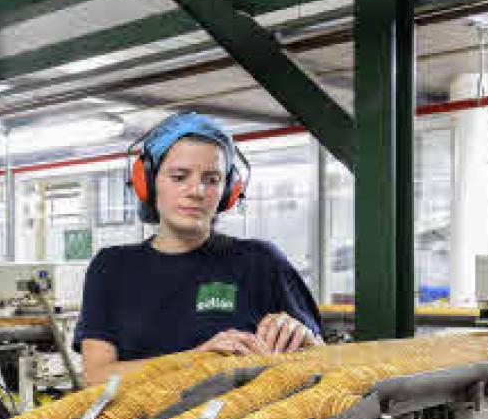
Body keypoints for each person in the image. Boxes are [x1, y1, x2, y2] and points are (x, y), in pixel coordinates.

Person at [74, 112, 322, 385]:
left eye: (212, 179)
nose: (197, 191)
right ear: (147, 182)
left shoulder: (260, 262)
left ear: (228, 190)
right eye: (179, 177)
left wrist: (306, 340)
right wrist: (197, 360)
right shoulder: (112, 267)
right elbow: (96, 377)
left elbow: (324, 362)